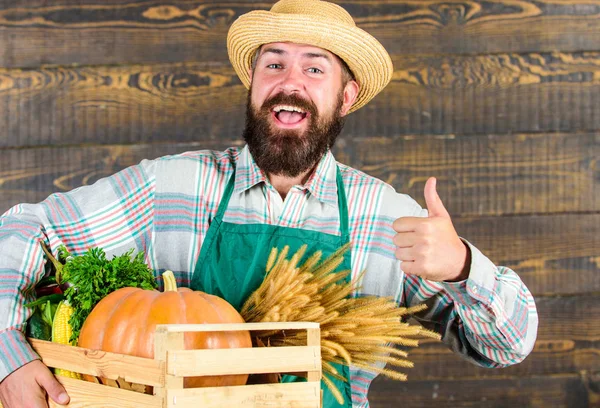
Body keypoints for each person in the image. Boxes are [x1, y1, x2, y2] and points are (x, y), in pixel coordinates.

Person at [0, 0, 538, 407]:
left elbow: (507, 345)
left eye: (315, 69)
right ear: (254, 84)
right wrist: (8, 360)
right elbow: (23, 230)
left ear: (345, 97)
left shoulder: (387, 218)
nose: (290, 83)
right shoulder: (171, 187)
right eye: (273, 65)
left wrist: (463, 266)